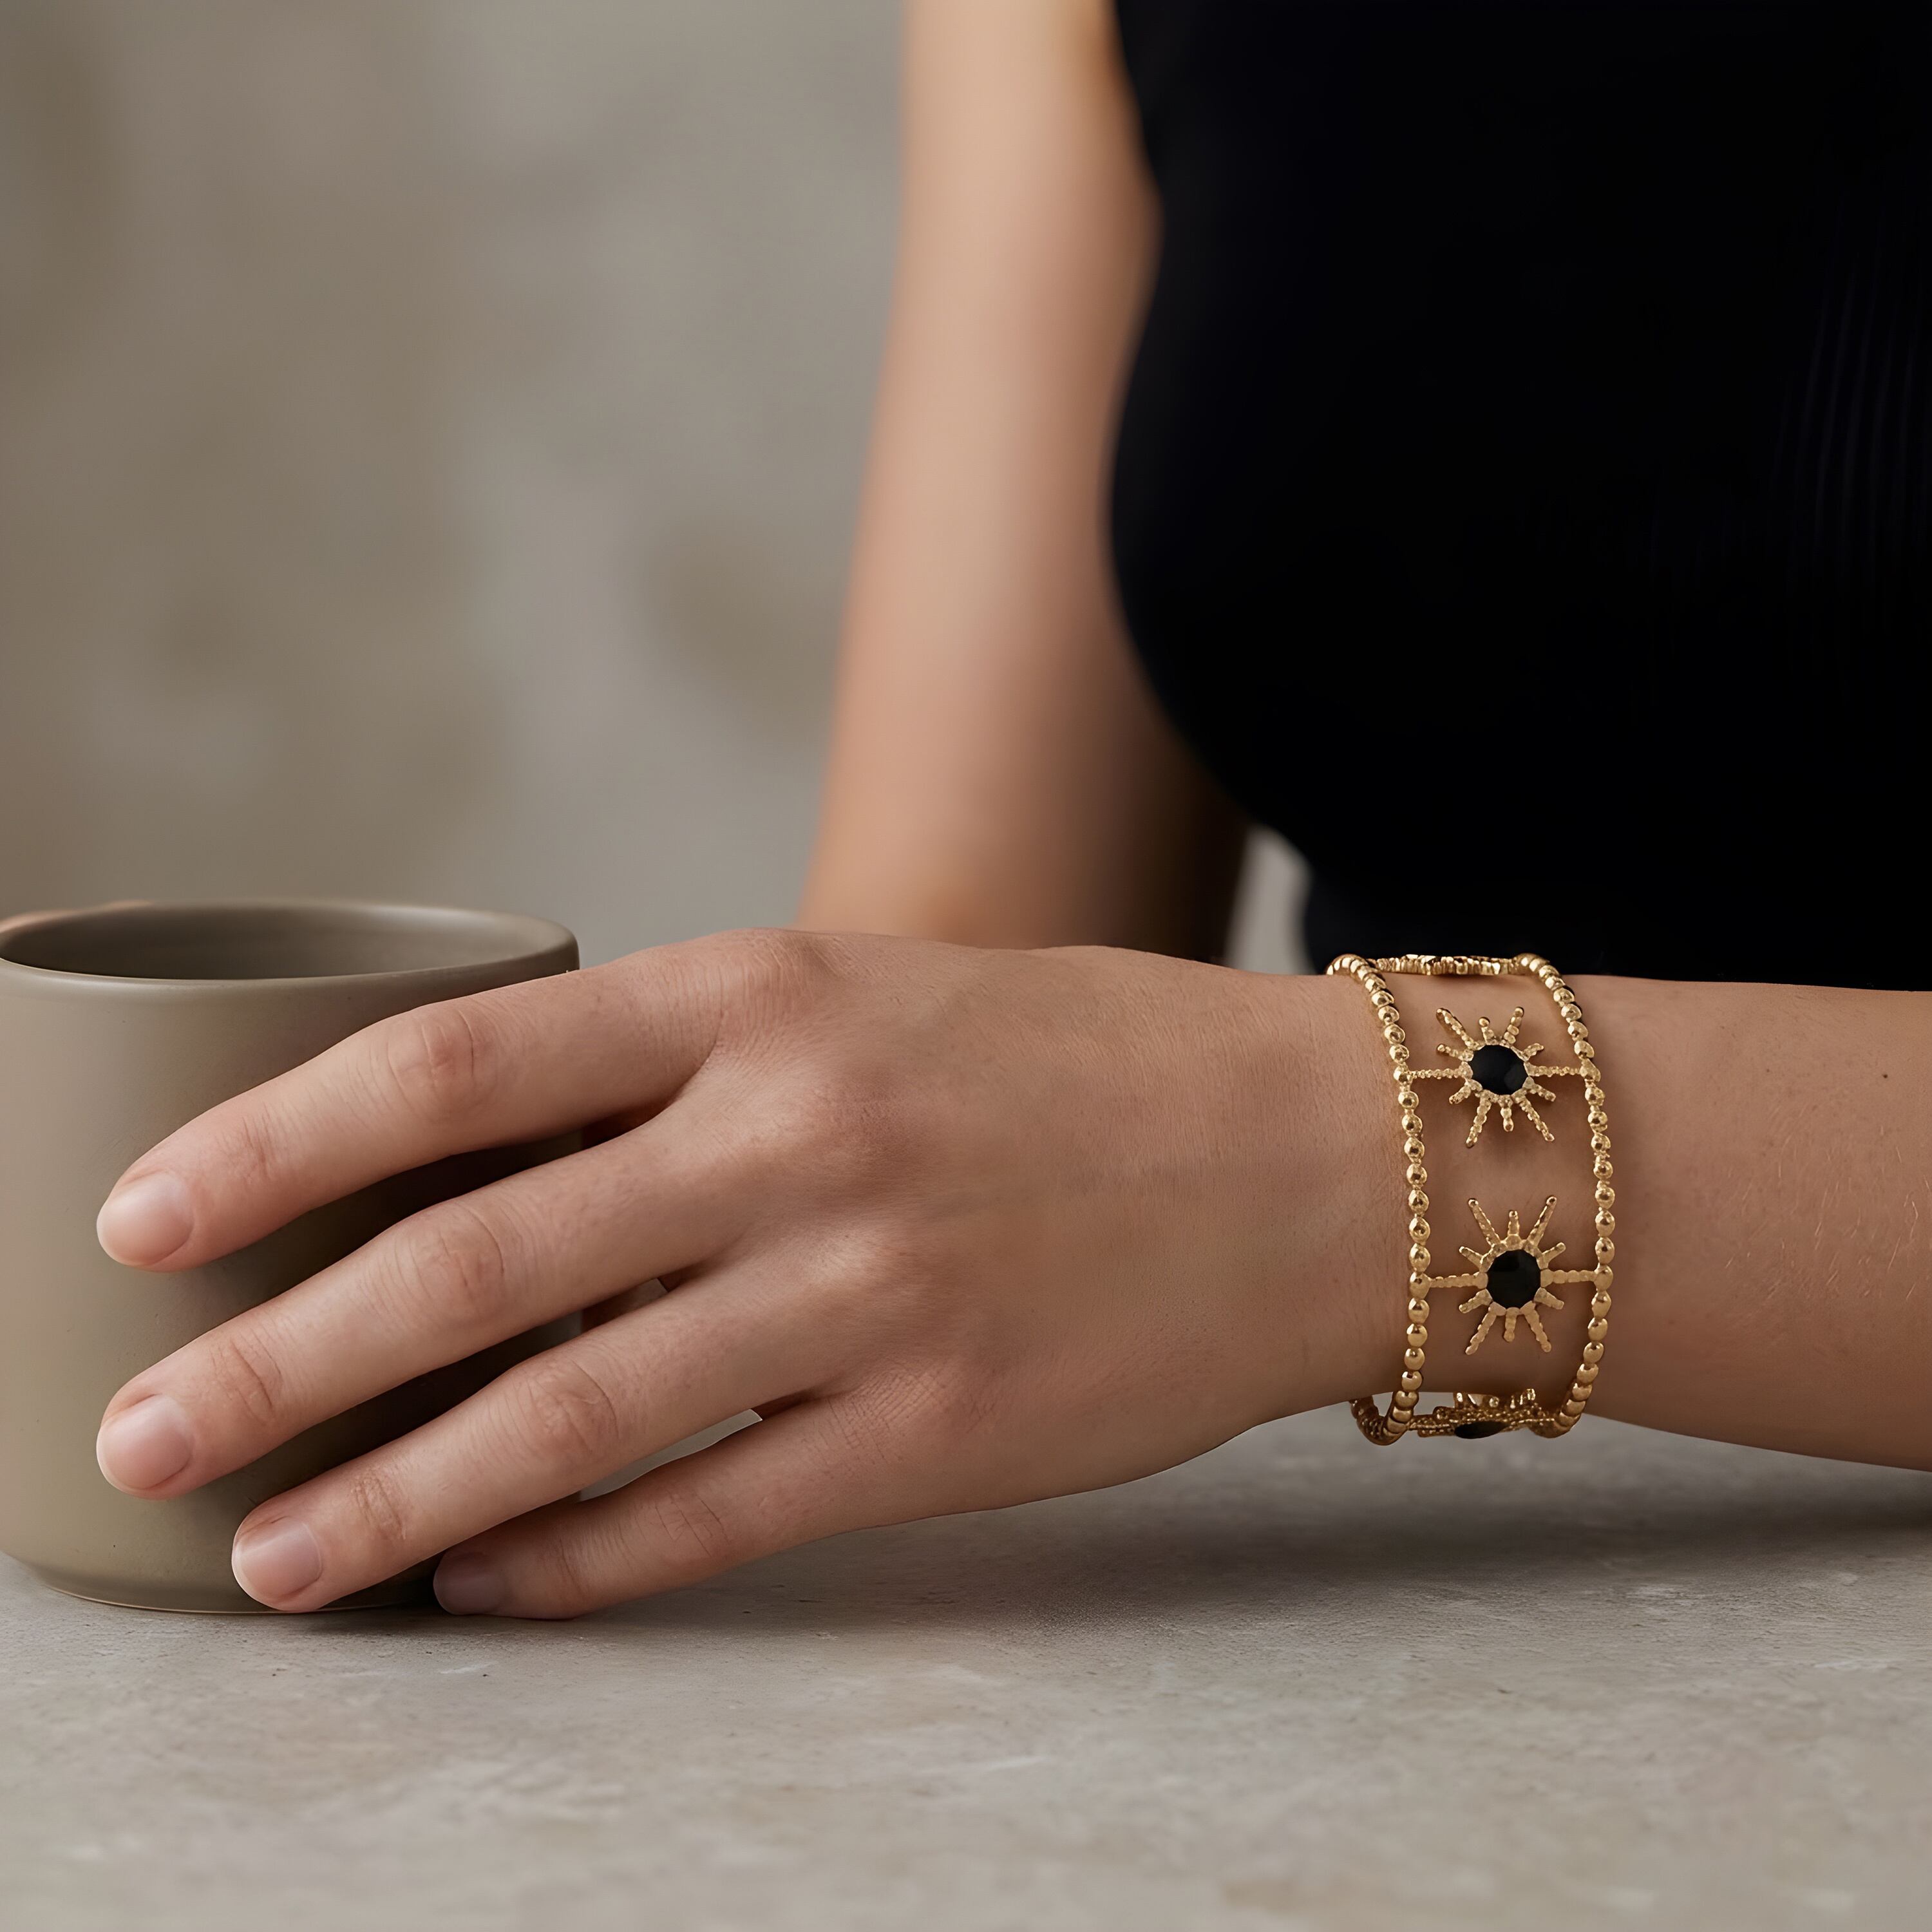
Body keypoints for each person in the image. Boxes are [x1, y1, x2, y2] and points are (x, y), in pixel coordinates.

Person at [90, 0, 1928, 1618]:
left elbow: (1215, 1143)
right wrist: (663, 1219)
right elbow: (972, 944)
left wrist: (1363, 1170)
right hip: (1413, 1635)